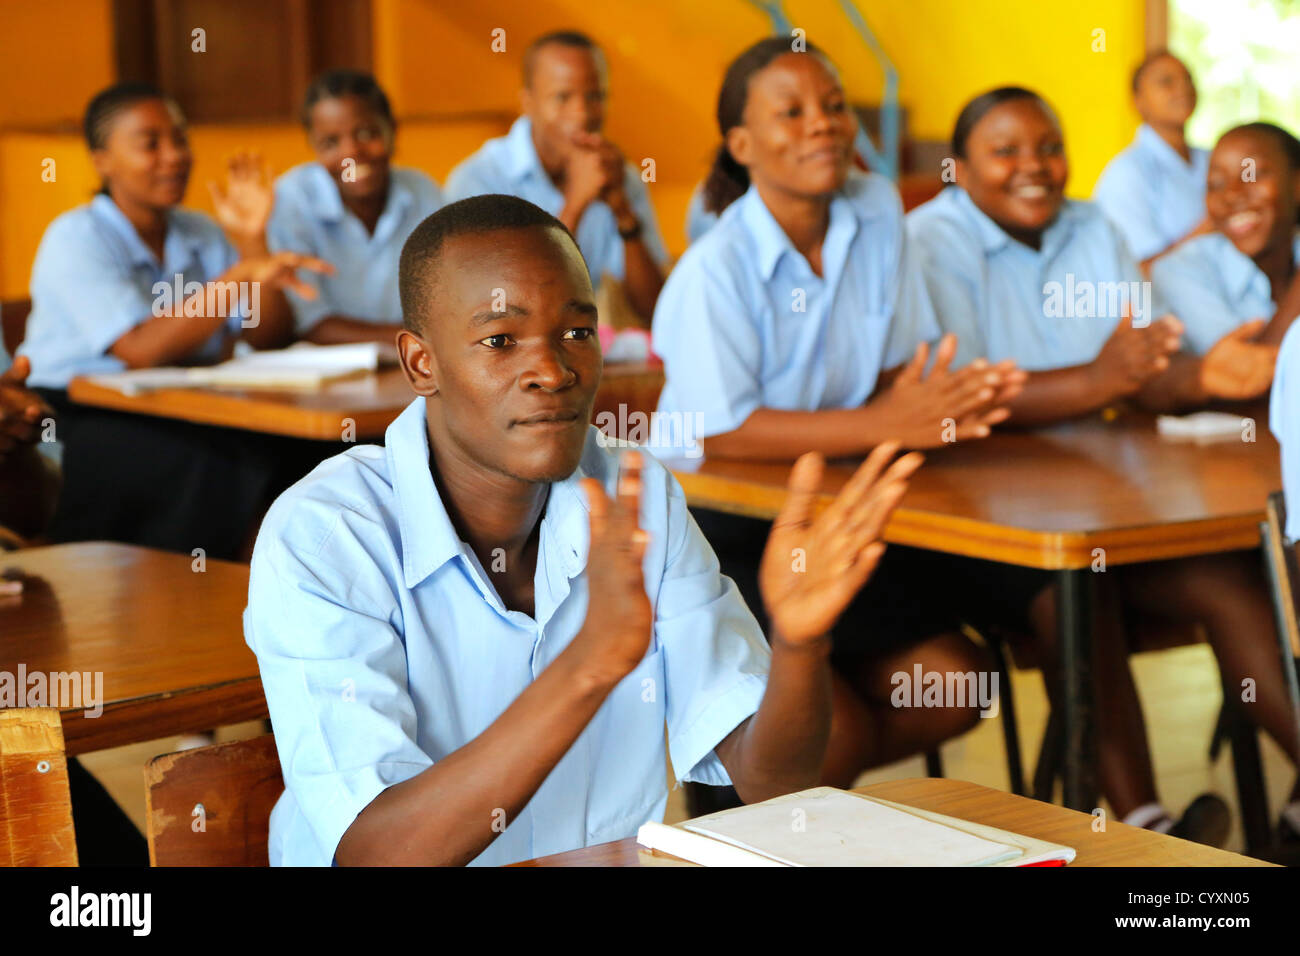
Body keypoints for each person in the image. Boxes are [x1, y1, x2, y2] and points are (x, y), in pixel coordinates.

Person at [243, 192, 923, 866]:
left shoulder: (636, 495)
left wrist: (801, 645)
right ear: (423, 363)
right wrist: (589, 665)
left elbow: (774, 780)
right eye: (500, 341)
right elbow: (377, 855)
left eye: (577, 331)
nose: (553, 370)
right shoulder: (329, 535)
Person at [908, 85, 1291, 843]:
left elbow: (1141, 361)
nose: (1035, 167)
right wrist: (1096, 381)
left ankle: (1215, 825)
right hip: (977, 516)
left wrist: (1123, 378)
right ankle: (1147, 827)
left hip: (1110, 490)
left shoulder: (1092, 225)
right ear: (958, 168)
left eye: (1050, 148)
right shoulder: (927, 241)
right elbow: (962, 396)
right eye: (1006, 151)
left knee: (1229, 578)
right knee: (1070, 592)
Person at [651, 37, 1028, 805]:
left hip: (836, 506)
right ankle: (769, 792)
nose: (823, 124)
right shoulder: (713, 271)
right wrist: (887, 421)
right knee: (835, 731)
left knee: (958, 685)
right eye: (791, 113)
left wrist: (942, 400)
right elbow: (722, 432)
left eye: (832, 106)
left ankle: (788, 786)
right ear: (742, 145)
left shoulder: (878, 208)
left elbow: (895, 367)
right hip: (723, 524)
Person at [17, 82, 330, 560]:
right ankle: (203, 596)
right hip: (77, 411)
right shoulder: (76, 236)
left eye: (180, 139)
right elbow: (141, 350)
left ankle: (278, 592)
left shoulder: (200, 231)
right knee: (218, 459)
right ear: (102, 159)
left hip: (187, 401)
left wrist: (252, 243)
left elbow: (267, 336)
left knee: (303, 453)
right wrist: (241, 274)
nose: (175, 155)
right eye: (151, 143)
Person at [444, 30, 667, 322]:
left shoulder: (620, 176)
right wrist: (575, 204)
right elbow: (506, 310)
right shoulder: (479, 180)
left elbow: (655, 312)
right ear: (527, 102)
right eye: (562, 97)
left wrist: (622, 210)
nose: (582, 114)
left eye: (596, 96)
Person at [268, 70, 443, 346]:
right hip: (323, 370)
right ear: (313, 147)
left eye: (366, 133)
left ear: (392, 131)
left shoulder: (422, 192)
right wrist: (417, 341)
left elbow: (443, 302)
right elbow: (310, 323)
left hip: (406, 364)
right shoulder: (291, 199)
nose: (351, 152)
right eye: (331, 142)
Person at [1152, 122, 1300, 362]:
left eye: (1252, 175)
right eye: (1216, 184)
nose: (1231, 194)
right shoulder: (1180, 272)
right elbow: (1248, 377)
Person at [1092, 50, 1212, 268]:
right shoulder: (1127, 173)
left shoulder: (1211, 159)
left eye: (1188, 79)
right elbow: (1139, 272)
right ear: (1138, 101)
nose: (1183, 88)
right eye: (1166, 82)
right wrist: (1209, 228)